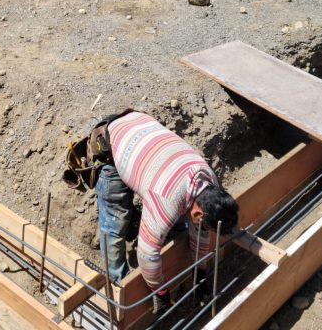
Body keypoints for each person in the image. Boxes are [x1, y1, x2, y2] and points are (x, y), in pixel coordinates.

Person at [88, 110, 239, 314]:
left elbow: (200, 233)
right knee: (115, 224)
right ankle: (118, 285)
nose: (204, 228)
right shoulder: (167, 199)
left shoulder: (209, 181)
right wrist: (160, 292)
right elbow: (147, 253)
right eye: (203, 223)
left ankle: (141, 223)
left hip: (142, 132)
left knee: (171, 223)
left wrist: (200, 274)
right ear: (198, 213)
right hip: (111, 146)